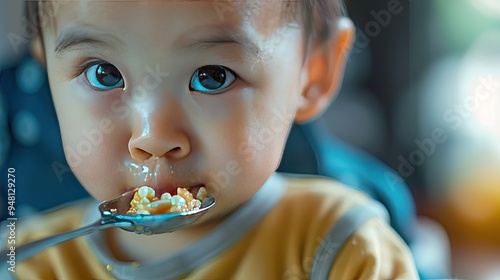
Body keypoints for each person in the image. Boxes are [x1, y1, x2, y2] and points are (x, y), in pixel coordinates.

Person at [2, 0, 418, 279]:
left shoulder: (341, 250)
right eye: (103, 73)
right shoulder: (27, 261)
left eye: (212, 77)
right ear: (47, 69)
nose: (154, 137)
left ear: (313, 72)